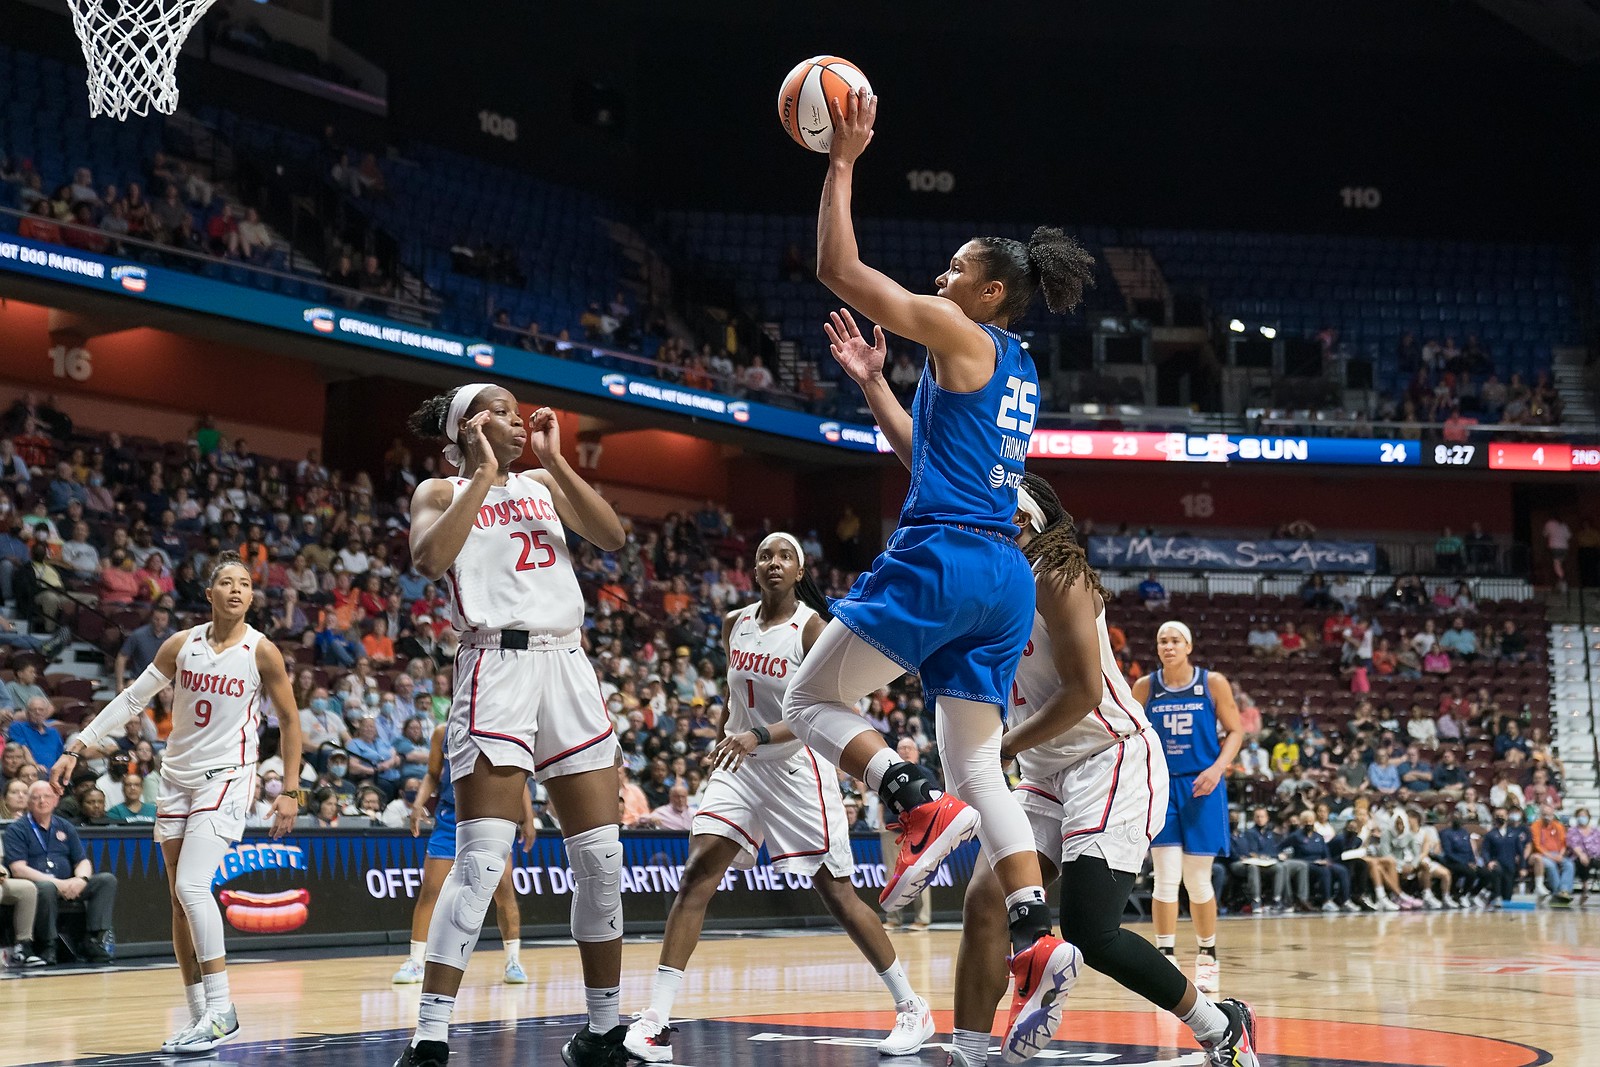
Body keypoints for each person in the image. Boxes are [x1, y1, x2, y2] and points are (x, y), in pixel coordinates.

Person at [783, 84, 1097, 1058]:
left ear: (991, 289)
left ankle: (909, 798)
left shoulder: (957, 330)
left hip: (945, 555)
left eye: (955, 269)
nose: (940, 275)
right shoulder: (1015, 363)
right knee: (980, 761)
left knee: (806, 698)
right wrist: (876, 385)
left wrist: (840, 157)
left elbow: (837, 265)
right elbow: (934, 456)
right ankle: (1038, 935)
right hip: (1000, 578)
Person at [948, 475, 1255, 1067]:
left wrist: (1001, 748)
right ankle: (968, 1053)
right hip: (1043, 768)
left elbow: (1085, 692)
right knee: (986, 901)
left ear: (1026, 524)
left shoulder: (1059, 578)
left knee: (1091, 931)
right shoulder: (982, 589)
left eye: (995, 512)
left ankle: (1221, 1026)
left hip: (1108, 757)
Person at [625, 533, 933, 1063]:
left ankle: (911, 1007)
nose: (773, 562)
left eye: (784, 556)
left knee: (837, 895)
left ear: (799, 571)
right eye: (765, 554)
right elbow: (734, 698)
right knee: (698, 873)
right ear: (754, 568)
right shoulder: (733, 623)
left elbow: (823, 709)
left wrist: (759, 734)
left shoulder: (812, 629)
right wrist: (732, 735)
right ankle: (656, 1017)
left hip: (796, 768)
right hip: (739, 766)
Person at [394, 384, 627, 1067]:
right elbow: (429, 561)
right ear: (469, 425)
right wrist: (487, 473)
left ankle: (604, 1031)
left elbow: (611, 535)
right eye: (499, 407)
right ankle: (431, 1037)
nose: (518, 415)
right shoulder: (438, 491)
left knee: (601, 859)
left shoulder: (544, 482)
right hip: (495, 663)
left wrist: (557, 462)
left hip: (568, 664)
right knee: (481, 861)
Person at [49, 551, 303, 1052]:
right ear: (208, 595)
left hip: (228, 778)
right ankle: (198, 1016)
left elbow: (291, 722)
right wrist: (78, 743)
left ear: (252, 597)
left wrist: (291, 790)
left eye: (245, 583)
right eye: (226, 582)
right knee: (179, 902)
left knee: (192, 884)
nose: (236, 589)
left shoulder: (262, 651)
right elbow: (130, 701)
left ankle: (223, 1010)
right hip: (176, 779)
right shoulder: (180, 645)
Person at [1133, 620, 1243, 996]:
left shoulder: (1212, 683)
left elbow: (1236, 731)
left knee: (1197, 879)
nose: (1168, 646)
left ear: (1189, 646)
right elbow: (1132, 737)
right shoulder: (1145, 687)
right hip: (1163, 787)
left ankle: (1207, 957)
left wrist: (1217, 768)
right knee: (1164, 877)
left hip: (1202, 786)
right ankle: (1165, 957)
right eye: (1162, 640)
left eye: (1175, 640)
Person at [392, 723, 533, 987]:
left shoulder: (501, 726)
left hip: (493, 814)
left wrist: (529, 818)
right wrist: (418, 804)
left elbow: (519, 776)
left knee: (503, 889)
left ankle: (513, 961)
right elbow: (433, 774)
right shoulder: (441, 732)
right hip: (450, 817)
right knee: (431, 889)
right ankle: (415, 961)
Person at [4, 781, 119, 965]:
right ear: (29, 802)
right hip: (40, 884)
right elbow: (18, 869)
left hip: (70, 882)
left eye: (47, 796)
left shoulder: (65, 826)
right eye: (36, 797)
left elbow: (82, 860)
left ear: (56, 800)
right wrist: (58, 883)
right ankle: (48, 944)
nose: (42, 801)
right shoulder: (17, 829)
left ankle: (92, 939)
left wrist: (81, 879)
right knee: (46, 887)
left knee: (106, 880)